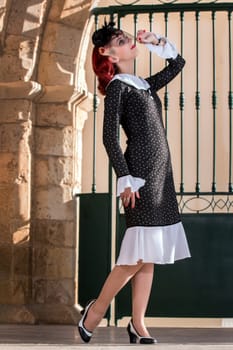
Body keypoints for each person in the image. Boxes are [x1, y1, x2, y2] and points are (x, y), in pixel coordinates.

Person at [78, 20, 191, 344]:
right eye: (122, 39)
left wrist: (156, 41)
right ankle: (96, 311)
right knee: (135, 255)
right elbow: (109, 139)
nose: (130, 41)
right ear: (107, 53)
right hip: (139, 176)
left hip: (160, 174)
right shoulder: (117, 87)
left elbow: (178, 63)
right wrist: (126, 180)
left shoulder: (141, 84)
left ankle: (137, 323)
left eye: (128, 38)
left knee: (148, 253)